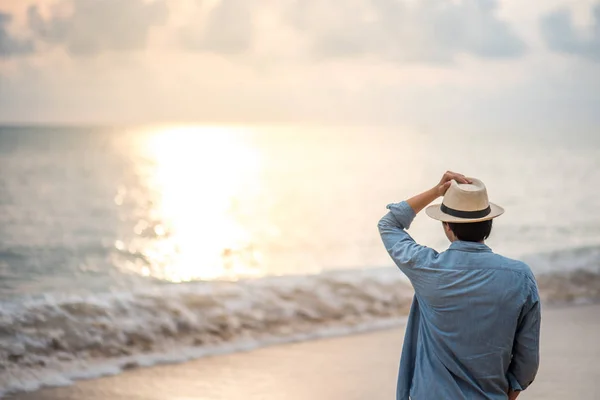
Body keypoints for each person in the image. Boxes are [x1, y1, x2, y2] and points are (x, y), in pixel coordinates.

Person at [378, 171, 540, 400]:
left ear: (447, 226)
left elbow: (389, 224)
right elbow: (528, 358)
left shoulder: (427, 267)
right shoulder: (520, 276)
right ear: (489, 224)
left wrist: (437, 191)